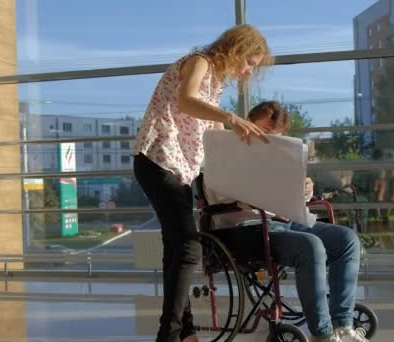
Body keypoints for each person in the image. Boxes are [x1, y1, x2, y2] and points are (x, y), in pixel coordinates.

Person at [132, 24, 272, 342]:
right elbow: (185, 101)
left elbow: (215, 140)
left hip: (178, 168)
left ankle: (185, 332)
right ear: (235, 49)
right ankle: (169, 335)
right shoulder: (200, 62)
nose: (249, 72)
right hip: (158, 159)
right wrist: (233, 118)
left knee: (176, 249)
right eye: (250, 62)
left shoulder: (216, 84)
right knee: (189, 248)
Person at [205, 101, 368, 342]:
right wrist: (248, 198)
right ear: (247, 123)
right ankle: (321, 334)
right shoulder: (224, 150)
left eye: (275, 138)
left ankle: (342, 326)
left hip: (284, 222)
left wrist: (305, 190)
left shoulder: (277, 159)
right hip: (245, 229)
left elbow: (290, 196)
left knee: (347, 240)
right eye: (263, 133)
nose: (267, 141)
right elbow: (215, 193)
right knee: (310, 246)